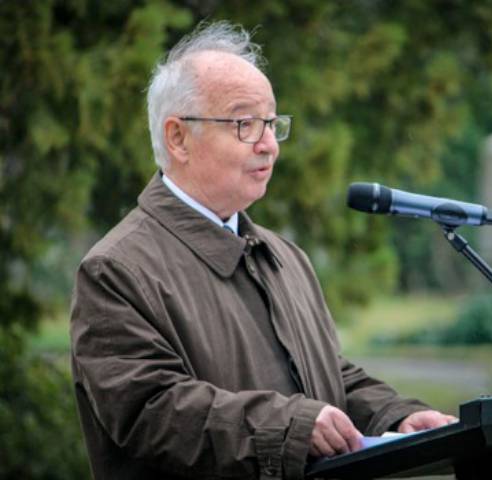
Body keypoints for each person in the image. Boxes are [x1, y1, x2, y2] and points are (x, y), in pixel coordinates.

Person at [70, 21, 455, 480]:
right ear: (178, 138)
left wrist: (395, 416)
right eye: (245, 124)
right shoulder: (116, 270)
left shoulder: (284, 256)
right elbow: (151, 411)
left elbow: (325, 378)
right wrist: (290, 426)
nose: (269, 145)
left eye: (271, 124)